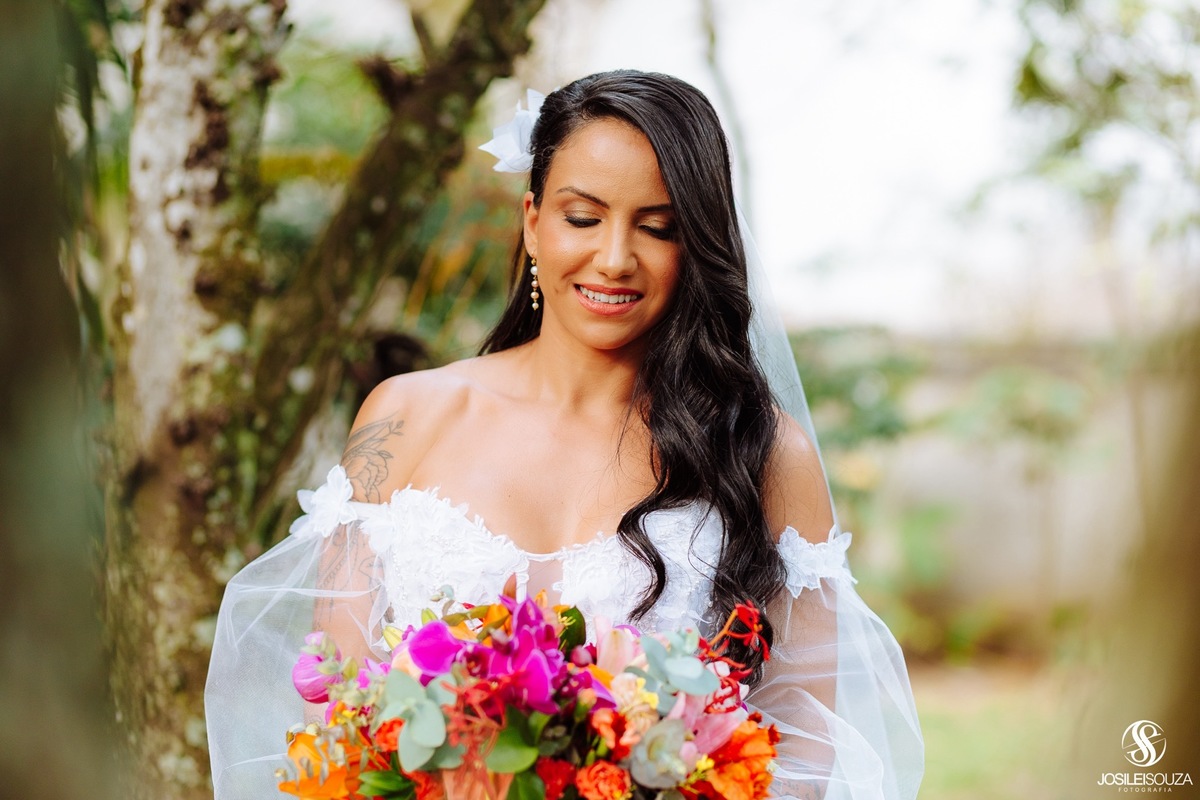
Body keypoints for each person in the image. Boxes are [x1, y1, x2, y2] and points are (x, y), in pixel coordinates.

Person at [206, 69, 924, 800]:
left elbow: (801, 754)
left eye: (658, 227)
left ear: (697, 246)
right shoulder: (404, 418)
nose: (614, 257)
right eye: (583, 218)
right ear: (532, 222)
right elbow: (335, 716)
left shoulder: (765, 454)